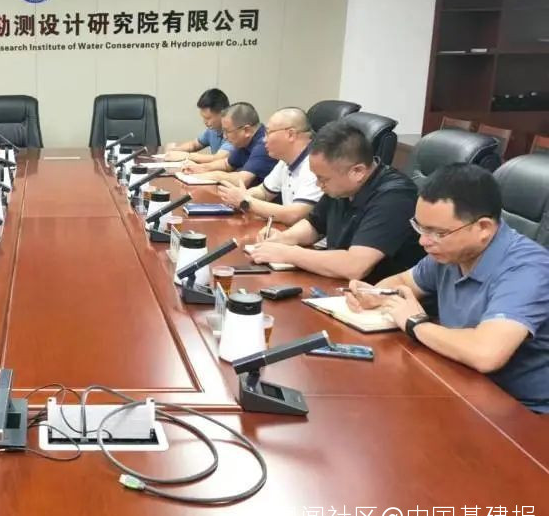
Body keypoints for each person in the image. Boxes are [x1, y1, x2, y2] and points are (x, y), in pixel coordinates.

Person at [345, 164, 549, 413]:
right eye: (420, 227)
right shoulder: (450, 252)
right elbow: (403, 282)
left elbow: (486, 353)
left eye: (438, 232)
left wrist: (415, 322)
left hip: (522, 413)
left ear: (483, 228)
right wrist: (375, 295)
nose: (424, 241)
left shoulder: (528, 270)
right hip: (460, 382)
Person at [248, 120, 424, 282]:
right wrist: (284, 238)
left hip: (382, 295)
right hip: (340, 287)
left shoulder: (395, 197)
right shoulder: (342, 185)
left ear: (357, 171)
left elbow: (355, 266)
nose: (319, 185)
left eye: (323, 179)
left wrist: (288, 253)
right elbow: (314, 225)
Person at [217, 107, 322, 230]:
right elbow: (264, 192)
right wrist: (239, 197)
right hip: (288, 233)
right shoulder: (285, 161)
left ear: (290, 134)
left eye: (268, 133)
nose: (264, 139)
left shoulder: (315, 164)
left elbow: (294, 215)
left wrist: (246, 202)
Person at [178, 102, 277, 186]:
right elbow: (227, 164)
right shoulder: (244, 141)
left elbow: (242, 180)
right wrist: (201, 168)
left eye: (227, 131)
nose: (224, 136)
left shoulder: (264, 144)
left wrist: (212, 175)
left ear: (246, 130)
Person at [163, 88, 233, 163]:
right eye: (203, 118)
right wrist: (174, 150)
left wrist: (187, 156)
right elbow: (194, 144)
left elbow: (219, 158)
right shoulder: (212, 130)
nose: (205, 122)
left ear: (222, 113)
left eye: (208, 118)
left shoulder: (233, 132)